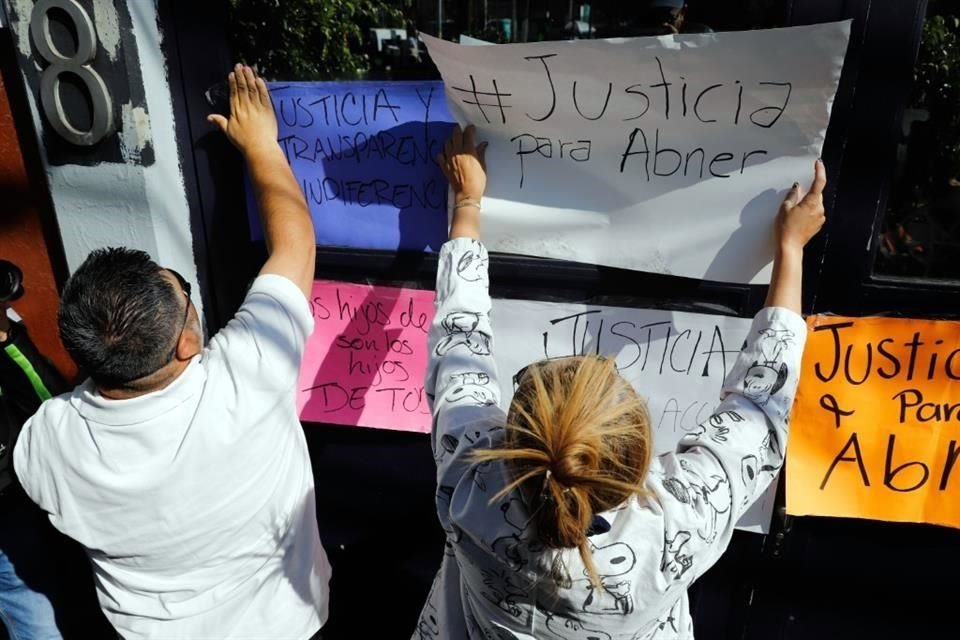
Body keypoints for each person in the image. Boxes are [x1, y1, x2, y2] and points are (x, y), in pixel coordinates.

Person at [414, 124, 826, 639]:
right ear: (641, 463)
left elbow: (458, 341)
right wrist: (791, 250)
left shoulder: (468, 474)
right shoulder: (676, 527)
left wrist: (468, 205)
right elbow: (761, 404)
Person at [14, 65, 330, 640]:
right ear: (187, 341)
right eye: (183, 291)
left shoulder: (46, 439)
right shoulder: (247, 377)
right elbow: (296, 242)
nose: (187, 293)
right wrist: (262, 145)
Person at [0, 261, 65, 640]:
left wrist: (7, 341)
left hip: (26, 490)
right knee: (34, 616)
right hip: (7, 514)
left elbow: (46, 403)